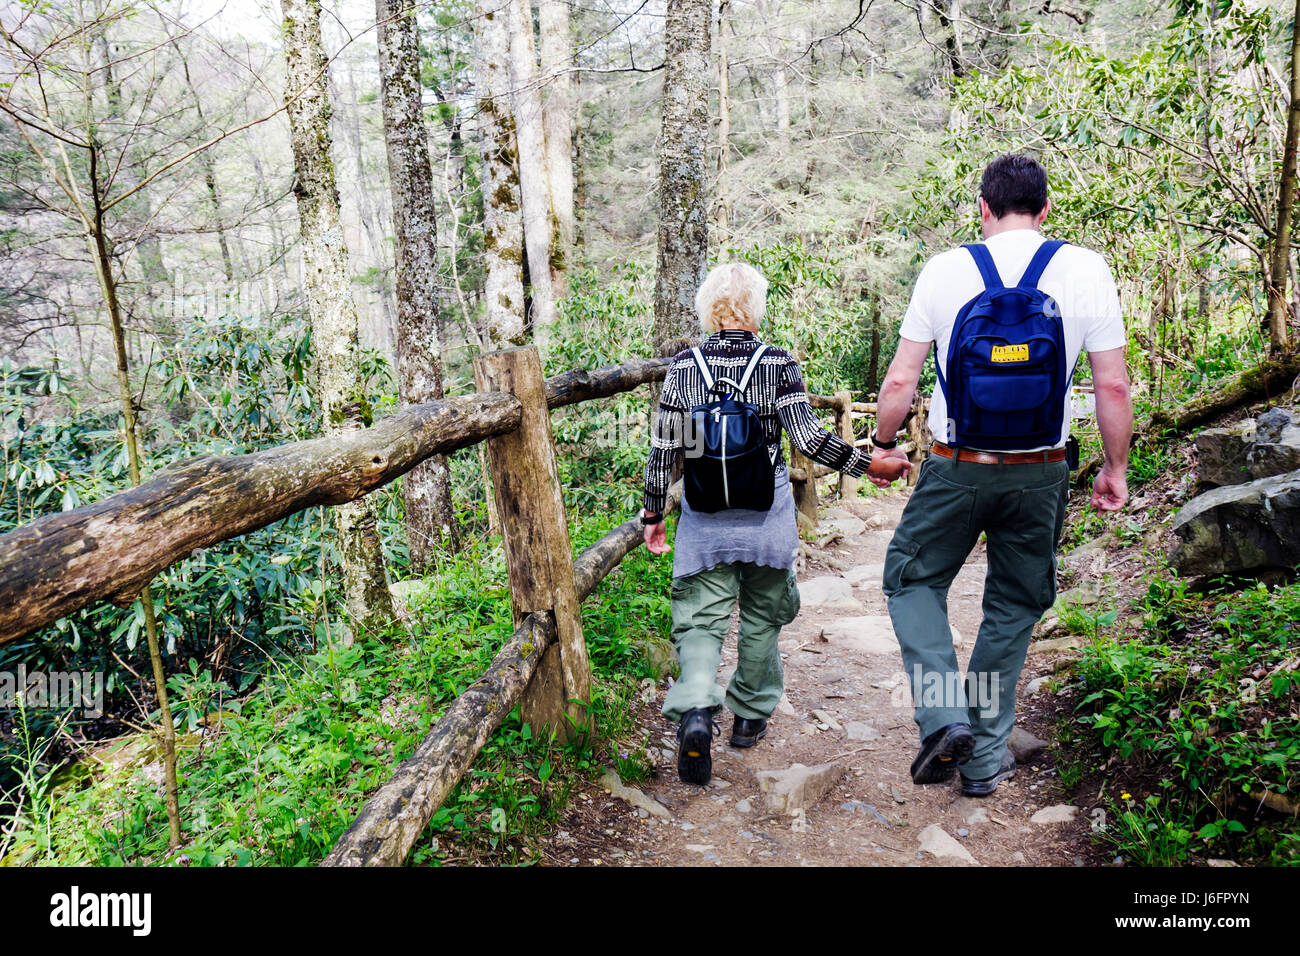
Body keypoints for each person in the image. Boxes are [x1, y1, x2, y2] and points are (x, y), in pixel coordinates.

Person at [871, 153, 1133, 797]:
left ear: (983, 209)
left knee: (912, 579)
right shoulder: (1084, 268)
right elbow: (1114, 384)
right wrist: (1115, 470)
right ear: (1045, 211)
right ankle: (984, 759)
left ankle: (942, 719)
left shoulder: (945, 270)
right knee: (1013, 606)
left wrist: (881, 443)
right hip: (1041, 471)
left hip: (958, 467)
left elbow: (902, 378)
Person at [641, 262, 911, 785]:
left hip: (704, 517)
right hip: (766, 515)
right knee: (764, 615)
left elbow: (662, 453)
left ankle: (697, 710)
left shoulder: (682, 368)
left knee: (699, 620)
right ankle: (748, 718)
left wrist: (654, 513)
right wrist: (868, 464)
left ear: (709, 308)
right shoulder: (777, 363)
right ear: (756, 308)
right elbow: (809, 441)